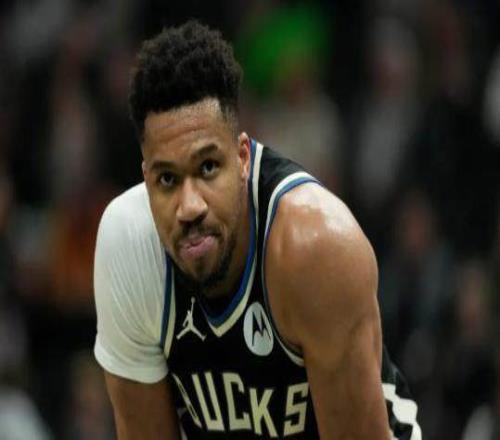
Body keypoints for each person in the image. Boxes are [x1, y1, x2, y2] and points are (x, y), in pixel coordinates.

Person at [93, 20, 421, 439]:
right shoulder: (129, 245)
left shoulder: (316, 247)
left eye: (208, 167)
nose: (189, 207)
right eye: (167, 180)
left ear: (243, 158)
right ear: (146, 178)